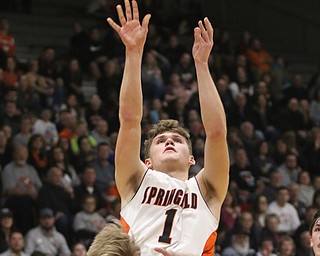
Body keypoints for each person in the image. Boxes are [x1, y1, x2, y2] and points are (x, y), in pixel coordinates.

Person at [107, 0, 229, 255]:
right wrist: (133, 53)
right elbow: (129, 120)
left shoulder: (207, 190)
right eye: (160, 141)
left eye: (177, 140)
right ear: (147, 161)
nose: (170, 141)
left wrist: (202, 65)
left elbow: (217, 133)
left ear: (192, 159)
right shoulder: (136, 180)